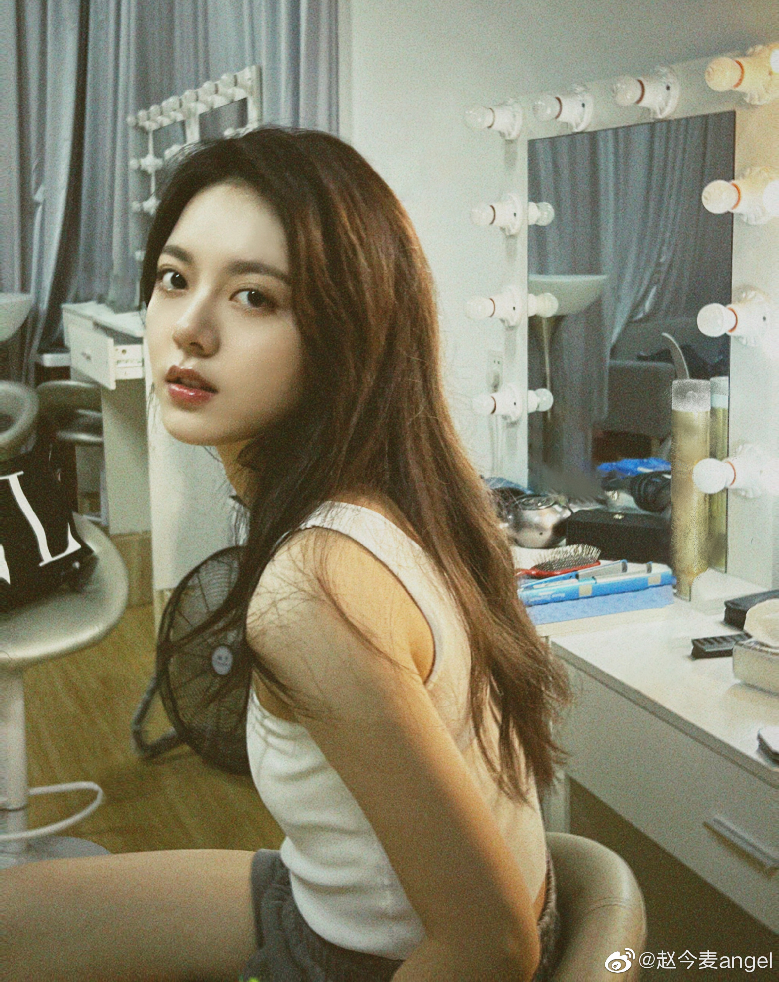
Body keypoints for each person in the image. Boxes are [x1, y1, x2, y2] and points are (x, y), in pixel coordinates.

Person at [0, 127, 570, 982]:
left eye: (254, 298)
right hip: (337, 895)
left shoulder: (311, 592)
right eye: (175, 279)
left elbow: (489, 947)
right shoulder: (404, 498)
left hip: (368, 954)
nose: (189, 329)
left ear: (348, 332)